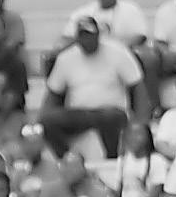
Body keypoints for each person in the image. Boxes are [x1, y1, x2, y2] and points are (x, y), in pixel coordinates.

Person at [40, 17, 147, 160]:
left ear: (98, 35)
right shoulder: (65, 58)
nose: (87, 40)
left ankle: (112, 158)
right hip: (79, 114)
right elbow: (53, 93)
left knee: (110, 117)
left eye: (90, 35)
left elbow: (137, 86)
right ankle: (68, 158)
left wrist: (141, 121)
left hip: (111, 112)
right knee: (48, 121)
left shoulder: (118, 52)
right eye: (83, 36)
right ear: (77, 38)